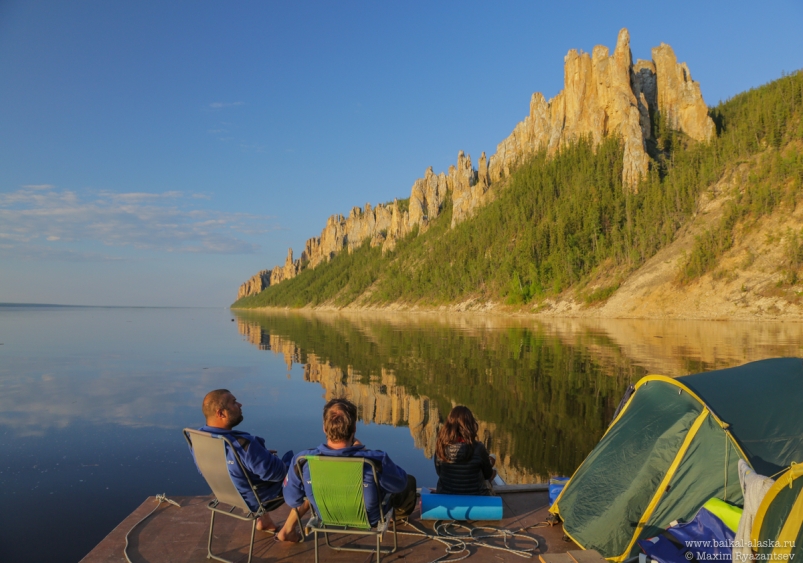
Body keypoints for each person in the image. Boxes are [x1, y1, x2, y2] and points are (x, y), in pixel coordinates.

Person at [283, 398, 417, 539]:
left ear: (324, 428)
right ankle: (394, 517)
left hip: (326, 516)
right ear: (354, 428)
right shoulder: (375, 460)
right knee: (409, 481)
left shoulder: (302, 460)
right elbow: (400, 484)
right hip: (370, 519)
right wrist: (364, 450)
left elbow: (292, 500)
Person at [193, 389, 309, 537]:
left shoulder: (199, 439)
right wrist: (265, 457)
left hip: (227, 493)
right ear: (221, 413)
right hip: (258, 498)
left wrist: (260, 456)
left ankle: (264, 521)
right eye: (234, 402)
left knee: (244, 474)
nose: (240, 404)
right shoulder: (244, 444)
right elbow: (278, 473)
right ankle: (288, 531)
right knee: (307, 472)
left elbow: (214, 466)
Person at [434, 405, 496, 496]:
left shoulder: (440, 446)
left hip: (446, 495)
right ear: (470, 425)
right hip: (475, 497)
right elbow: (487, 475)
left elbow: (439, 473)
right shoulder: (479, 448)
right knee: (492, 466)